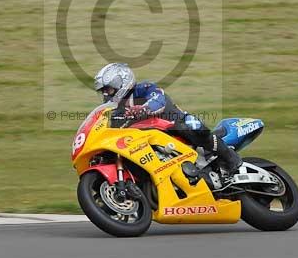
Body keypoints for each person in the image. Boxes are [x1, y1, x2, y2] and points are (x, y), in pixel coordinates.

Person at [93, 62, 243, 176]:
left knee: (192, 126)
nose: (106, 94)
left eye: (109, 89)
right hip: (149, 142)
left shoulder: (144, 88)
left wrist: (143, 109)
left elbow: (159, 100)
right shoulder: (115, 110)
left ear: (122, 81)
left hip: (173, 124)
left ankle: (231, 159)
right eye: (104, 91)